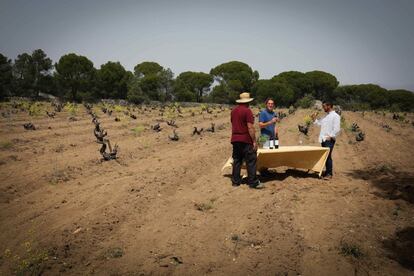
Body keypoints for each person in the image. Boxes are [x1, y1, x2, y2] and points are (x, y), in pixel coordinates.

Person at [230, 92, 264, 189]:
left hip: (235, 139)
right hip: (245, 140)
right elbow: (250, 127)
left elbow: (234, 124)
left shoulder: (233, 111)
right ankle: (253, 182)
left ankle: (235, 182)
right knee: (251, 160)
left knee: (237, 161)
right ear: (247, 102)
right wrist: (254, 141)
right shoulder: (247, 111)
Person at [311, 101, 341, 179]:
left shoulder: (335, 116)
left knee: (328, 156)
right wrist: (314, 118)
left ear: (329, 106)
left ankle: (329, 174)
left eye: (324, 106)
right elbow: (319, 124)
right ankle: (327, 172)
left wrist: (331, 136)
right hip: (323, 139)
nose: (323, 108)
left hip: (329, 140)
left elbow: (337, 129)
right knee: (325, 156)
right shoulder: (325, 116)